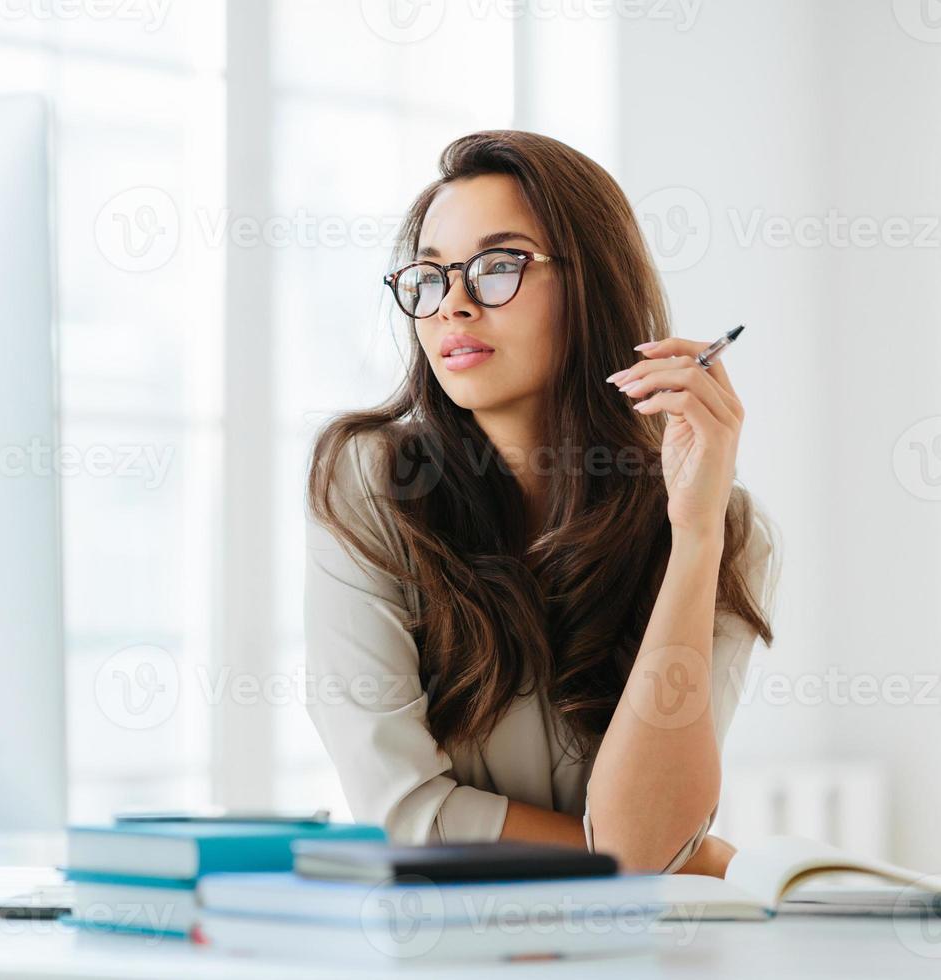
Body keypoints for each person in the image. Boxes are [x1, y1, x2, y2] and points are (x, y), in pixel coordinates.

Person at [304, 130, 778, 876]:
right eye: (429, 278)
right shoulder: (372, 485)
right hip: (449, 949)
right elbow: (407, 817)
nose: (453, 305)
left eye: (497, 267)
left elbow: (650, 839)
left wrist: (693, 536)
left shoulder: (725, 528)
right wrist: (669, 860)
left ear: (592, 282)